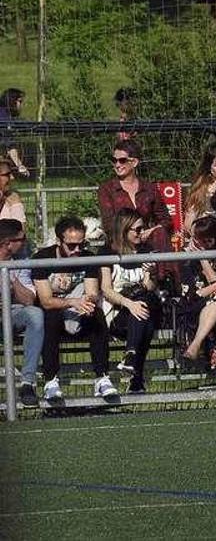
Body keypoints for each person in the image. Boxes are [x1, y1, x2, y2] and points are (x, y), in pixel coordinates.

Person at [31, 216, 114, 401]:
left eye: (80, 244)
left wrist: (87, 300)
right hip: (55, 314)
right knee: (50, 317)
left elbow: (92, 291)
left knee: (96, 315)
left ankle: (102, 377)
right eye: (71, 245)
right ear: (59, 241)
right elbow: (45, 300)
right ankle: (50, 380)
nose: (77, 250)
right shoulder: (42, 259)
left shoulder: (87, 258)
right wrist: (73, 301)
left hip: (77, 310)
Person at [99, 208, 161, 394]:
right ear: (124, 230)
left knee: (144, 304)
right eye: (137, 229)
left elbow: (149, 287)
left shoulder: (146, 250)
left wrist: (151, 273)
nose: (142, 233)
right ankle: (136, 376)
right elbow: (106, 290)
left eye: (143, 228)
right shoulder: (107, 252)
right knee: (145, 318)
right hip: (118, 311)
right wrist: (129, 304)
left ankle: (131, 355)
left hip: (141, 307)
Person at [179, 217, 216, 389]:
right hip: (196, 303)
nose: (194, 241)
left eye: (199, 238)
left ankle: (195, 344)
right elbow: (194, 293)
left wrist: (204, 259)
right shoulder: (186, 254)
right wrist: (202, 258)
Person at [98, 139, 173, 254]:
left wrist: (152, 230)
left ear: (134, 162)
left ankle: (167, 272)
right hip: (120, 243)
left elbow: (166, 220)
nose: (117, 165)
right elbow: (109, 224)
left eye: (122, 160)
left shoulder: (149, 188)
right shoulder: (107, 189)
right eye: (114, 160)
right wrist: (131, 233)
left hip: (145, 241)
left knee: (160, 234)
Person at [0, 219, 42, 406]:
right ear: (7, 243)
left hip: (13, 312)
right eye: (21, 239)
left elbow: (28, 300)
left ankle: (27, 382)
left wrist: (11, 281)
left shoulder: (21, 261)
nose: (25, 242)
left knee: (35, 314)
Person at [1, 88, 29, 177]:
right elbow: (9, 145)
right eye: (20, 102)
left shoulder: (6, 116)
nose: (21, 105)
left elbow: (8, 144)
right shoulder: (4, 118)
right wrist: (19, 165)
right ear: (12, 101)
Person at [0, 160, 25, 226]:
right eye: (7, 174)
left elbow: (20, 231)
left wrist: (15, 206)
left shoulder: (13, 199)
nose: (12, 178)